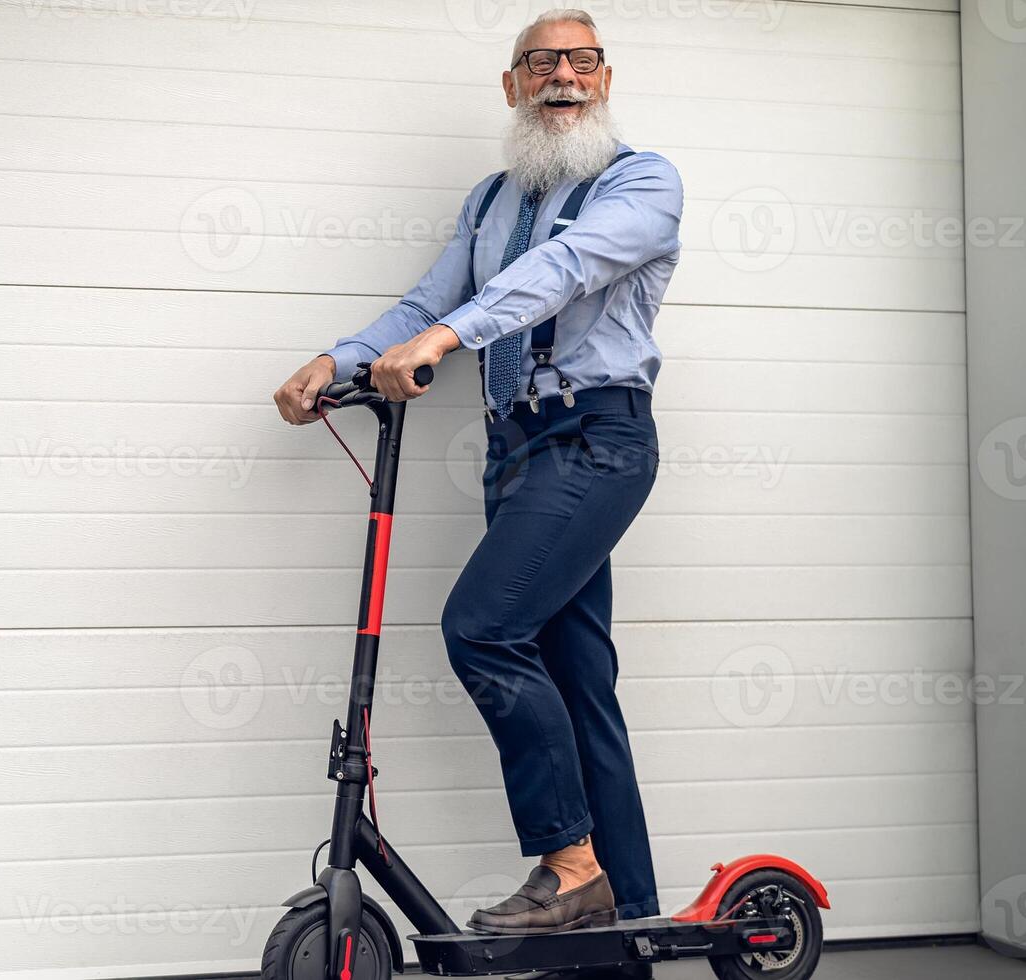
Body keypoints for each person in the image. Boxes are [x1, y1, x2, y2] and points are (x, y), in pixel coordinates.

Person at [272, 8, 683, 958]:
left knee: (483, 629)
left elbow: (564, 269)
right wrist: (336, 359)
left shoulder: (644, 182)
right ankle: (616, 950)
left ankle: (571, 868)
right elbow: (429, 300)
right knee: (581, 684)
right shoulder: (492, 199)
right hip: (518, 452)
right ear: (512, 87)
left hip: (598, 441)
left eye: (581, 61)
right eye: (540, 64)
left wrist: (449, 338)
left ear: (607, 79)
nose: (562, 77)